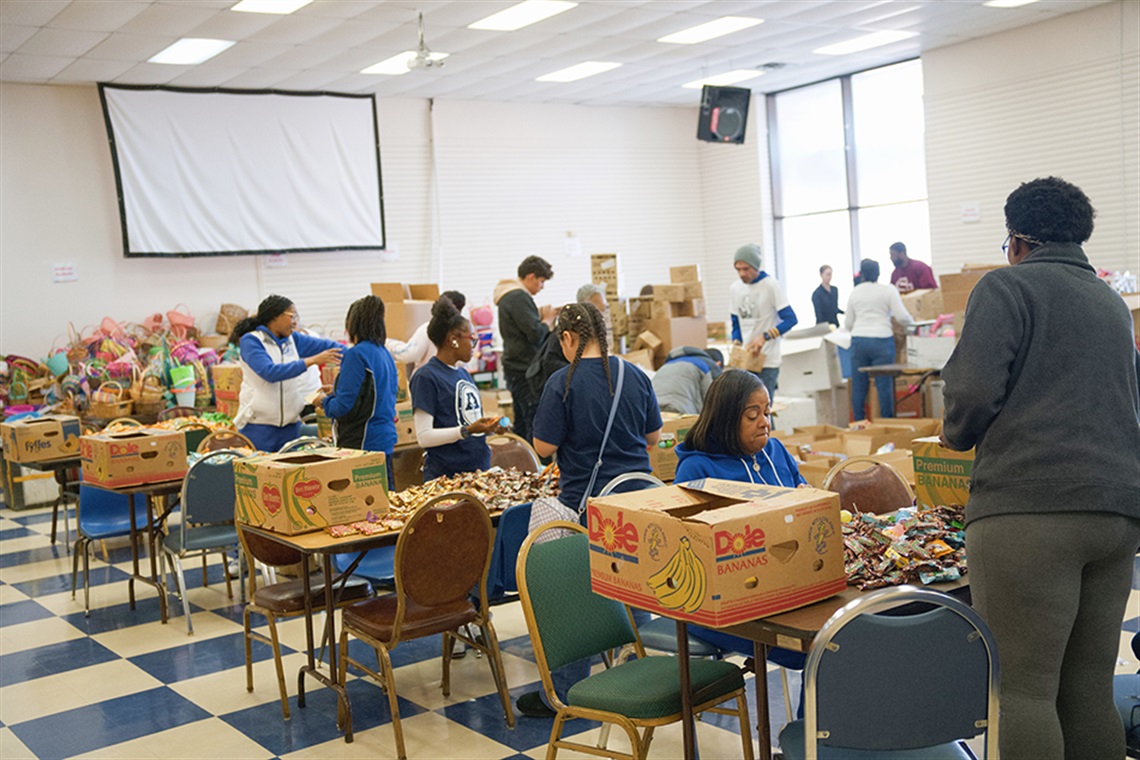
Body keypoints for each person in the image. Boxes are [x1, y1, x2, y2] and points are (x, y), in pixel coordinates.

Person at [940, 176, 1140, 760]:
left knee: (1024, 690)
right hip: (1117, 513)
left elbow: (972, 389)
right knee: (1086, 690)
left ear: (1018, 240)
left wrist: (956, 434)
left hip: (1030, 511)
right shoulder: (1109, 302)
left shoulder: (1006, 288)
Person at [520, 300, 662, 719]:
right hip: (639, 501)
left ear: (567, 338)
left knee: (578, 597)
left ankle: (566, 692)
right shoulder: (635, 375)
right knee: (636, 587)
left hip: (591, 507)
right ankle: (646, 677)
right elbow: (653, 436)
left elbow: (543, 448)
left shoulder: (562, 383)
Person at [672, 369, 809, 704]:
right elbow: (695, 553)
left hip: (787, 586)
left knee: (845, 635)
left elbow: (805, 500)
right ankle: (810, 749)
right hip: (724, 608)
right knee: (822, 649)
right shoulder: (696, 470)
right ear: (725, 418)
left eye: (767, 412)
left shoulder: (775, 452)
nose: (764, 422)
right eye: (752, 415)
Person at [231, 295, 342, 452]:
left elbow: (329, 346)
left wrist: (356, 354)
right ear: (275, 316)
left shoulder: (293, 340)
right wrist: (311, 361)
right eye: (292, 316)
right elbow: (270, 372)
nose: (296, 322)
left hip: (291, 427)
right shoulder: (252, 341)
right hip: (259, 427)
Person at [409, 297, 503, 481]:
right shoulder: (426, 377)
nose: (474, 347)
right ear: (453, 341)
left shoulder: (463, 373)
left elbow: (468, 421)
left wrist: (489, 428)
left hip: (477, 470)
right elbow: (424, 437)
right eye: (472, 340)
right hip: (448, 476)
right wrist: (466, 430)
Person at [315, 296, 399, 485]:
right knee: (386, 502)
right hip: (384, 438)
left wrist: (322, 401)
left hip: (362, 443)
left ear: (352, 324)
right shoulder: (384, 353)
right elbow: (377, 392)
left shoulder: (355, 354)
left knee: (363, 509)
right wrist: (336, 389)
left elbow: (344, 407)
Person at [494, 255, 556, 443]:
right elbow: (536, 334)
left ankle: (524, 465)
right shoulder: (518, 297)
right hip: (525, 369)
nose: (542, 286)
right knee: (533, 420)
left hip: (515, 366)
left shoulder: (509, 295)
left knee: (521, 419)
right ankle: (536, 465)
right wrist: (547, 321)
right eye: (541, 281)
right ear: (530, 277)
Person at [844, 258, 914, 419]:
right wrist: (914, 325)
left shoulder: (855, 292)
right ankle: (886, 423)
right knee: (884, 385)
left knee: (859, 385)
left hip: (859, 340)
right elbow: (902, 316)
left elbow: (848, 323)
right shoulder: (888, 290)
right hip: (882, 341)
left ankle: (860, 425)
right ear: (879, 273)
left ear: (862, 274)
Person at [729, 243, 797, 392]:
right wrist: (736, 341)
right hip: (746, 359)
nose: (741, 274)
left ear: (756, 267)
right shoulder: (735, 288)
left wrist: (764, 336)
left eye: (746, 269)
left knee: (764, 407)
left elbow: (791, 319)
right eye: (738, 269)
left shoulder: (770, 286)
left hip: (767, 360)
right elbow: (736, 322)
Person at [526, 283, 608, 400]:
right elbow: (549, 362)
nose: (600, 316)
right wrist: (581, 372)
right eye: (596, 310)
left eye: (603, 310)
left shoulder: (596, 333)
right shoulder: (569, 330)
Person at [385, 290, 466, 376]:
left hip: (426, 380)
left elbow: (409, 354)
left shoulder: (428, 329)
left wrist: (388, 343)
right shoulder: (464, 332)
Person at [651, 346, 723, 416]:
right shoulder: (709, 366)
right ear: (718, 363)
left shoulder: (665, 366)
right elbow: (713, 401)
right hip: (680, 411)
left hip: (654, 410)